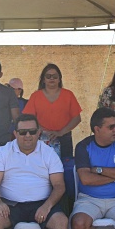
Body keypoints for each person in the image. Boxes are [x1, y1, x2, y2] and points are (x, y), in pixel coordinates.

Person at [22, 63, 82, 206]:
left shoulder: (68, 95)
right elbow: (29, 119)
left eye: (55, 76)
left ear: (59, 79)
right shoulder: (36, 96)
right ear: (43, 79)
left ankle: (64, 204)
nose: (51, 79)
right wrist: (43, 131)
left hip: (64, 138)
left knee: (63, 172)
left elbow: (77, 118)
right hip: (42, 139)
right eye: (48, 76)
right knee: (41, 172)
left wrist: (60, 132)